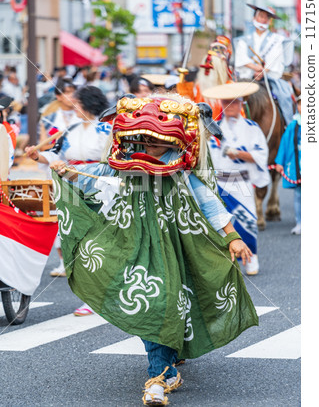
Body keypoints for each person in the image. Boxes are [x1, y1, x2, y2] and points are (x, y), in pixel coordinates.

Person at [51, 93, 258, 405]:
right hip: (132, 239)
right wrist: (62, 169)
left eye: (154, 140)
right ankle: (161, 372)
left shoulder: (181, 170)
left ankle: (160, 373)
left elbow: (209, 203)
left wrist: (232, 236)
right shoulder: (125, 162)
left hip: (177, 242)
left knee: (168, 299)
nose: (147, 144)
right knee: (153, 300)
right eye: (142, 139)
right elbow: (93, 175)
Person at [25, 86, 111, 292]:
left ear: (89, 104)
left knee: (98, 232)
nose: (74, 106)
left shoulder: (106, 129)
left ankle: (104, 278)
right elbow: (56, 154)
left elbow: (110, 161)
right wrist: (38, 156)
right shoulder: (71, 129)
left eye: (78, 103)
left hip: (98, 184)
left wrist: (79, 169)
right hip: (71, 183)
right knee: (72, 229)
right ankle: (84, 277)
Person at [203, 82, 270, 276]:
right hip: (219, 182)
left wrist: (237, 153)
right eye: (227, 102)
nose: (230, 106)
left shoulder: (251, 127)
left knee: (247, 222)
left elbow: (260, 155)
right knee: (221, 223)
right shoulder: (212, 128)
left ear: (241, 104)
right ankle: (228, 263)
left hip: (241, 181)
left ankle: (251, 258)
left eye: (235, 102)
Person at [234, 4, 294, 125]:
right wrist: (256, 68)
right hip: (247, 78)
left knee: (285, 96)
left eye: (267, 17)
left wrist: (263, 72)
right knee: (230, 98)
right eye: (261, 16)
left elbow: (275, 58)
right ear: (254, 18)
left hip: (269, 78)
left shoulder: (277, 40)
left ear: (269, 21)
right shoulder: (244, 40)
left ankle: (288, 126)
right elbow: (241, 58)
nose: (263, 19)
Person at [275, 96, 301, 235]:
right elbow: (285, 143)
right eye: (300, 105)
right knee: (298, 195)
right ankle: (299, 222)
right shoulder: (293, 125)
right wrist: (280, 161)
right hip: (297, 164)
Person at [39, 78, 80, 150]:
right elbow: (42, 148)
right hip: (55, 159)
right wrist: (60, 144)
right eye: (67, 92)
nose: (72, 95)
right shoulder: (49, 118)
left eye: (74, 92)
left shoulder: (83, 115)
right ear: (58, 96)